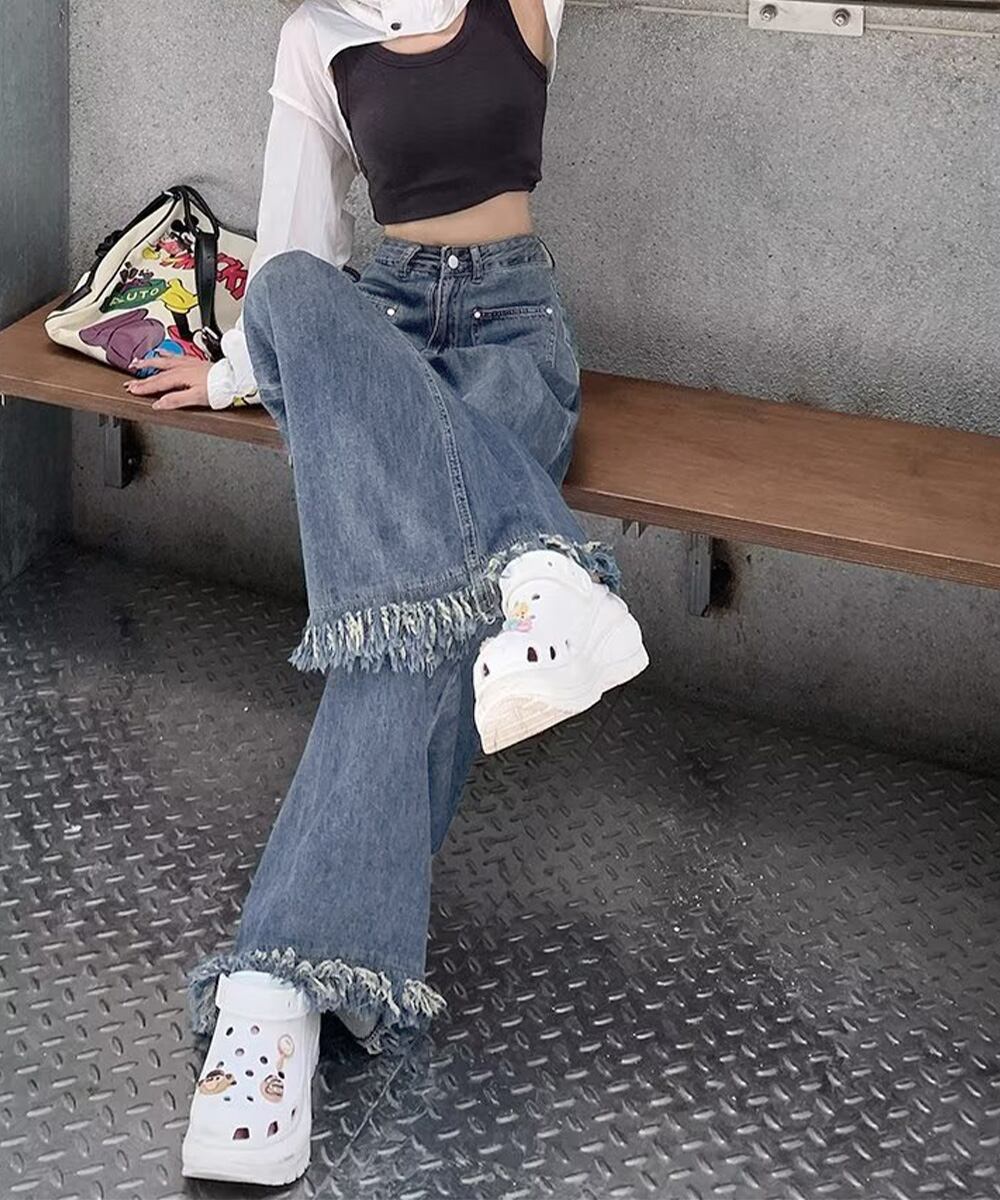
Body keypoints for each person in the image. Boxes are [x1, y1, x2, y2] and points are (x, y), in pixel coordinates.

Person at [128, 0, 648, 1185]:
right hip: (379, 333)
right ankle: (541, 568)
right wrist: (235, 373)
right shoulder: (317, 33)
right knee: (288, 287)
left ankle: (269, 1001)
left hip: (511, 333)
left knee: (410, 635)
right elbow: (299, 237)